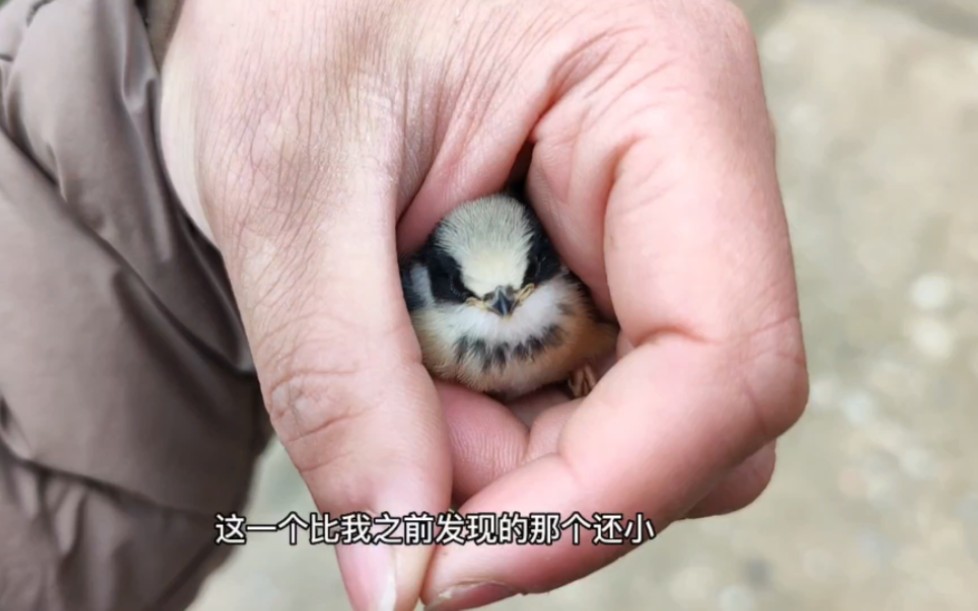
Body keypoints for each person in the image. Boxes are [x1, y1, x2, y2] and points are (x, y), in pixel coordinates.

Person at [0, 0, 809, 609]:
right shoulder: (427, 322)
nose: (504, 307)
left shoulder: (570, 312)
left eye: (520, 286)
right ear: (437, 289)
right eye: (481, 295)